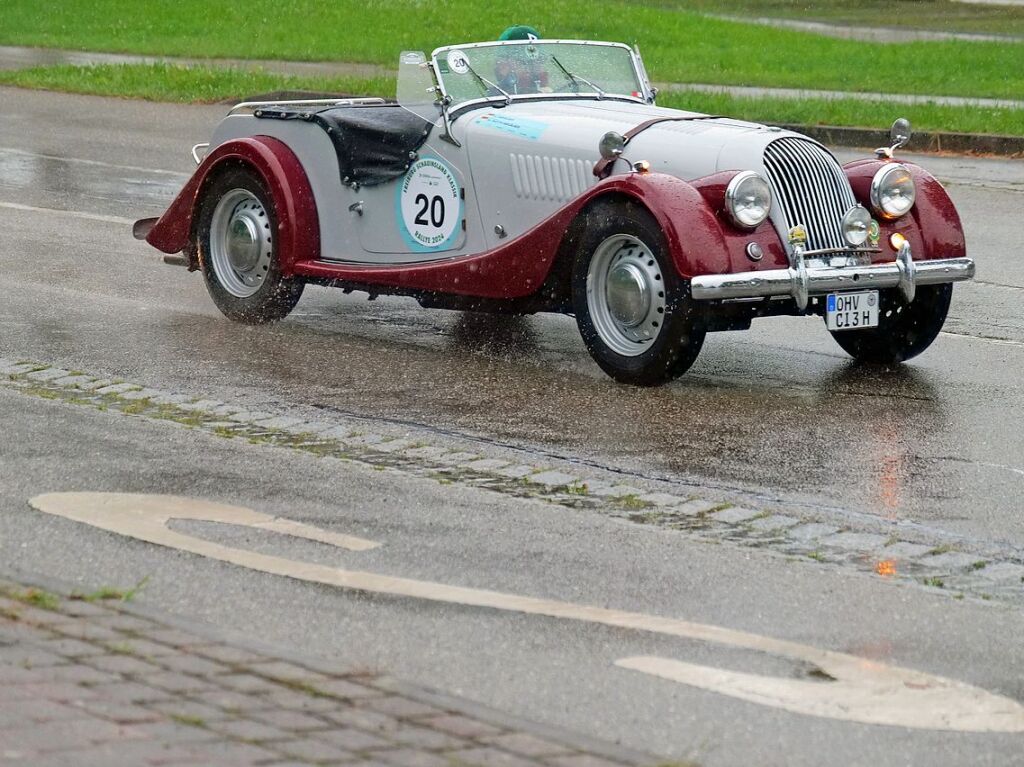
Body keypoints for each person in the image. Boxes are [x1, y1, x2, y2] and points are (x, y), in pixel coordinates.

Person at [494, 25, 549, 94]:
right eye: (524, 64)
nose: (537, 73)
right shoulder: (493, 100)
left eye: (539, 62)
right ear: (502, 66)